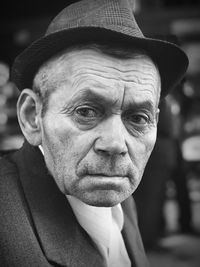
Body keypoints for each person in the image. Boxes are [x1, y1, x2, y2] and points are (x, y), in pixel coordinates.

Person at [0, 0, 188, 266]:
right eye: (86, 112)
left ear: (155, 121)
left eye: (137, 118)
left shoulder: (117, 194)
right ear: (33, 117)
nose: (115, 144)